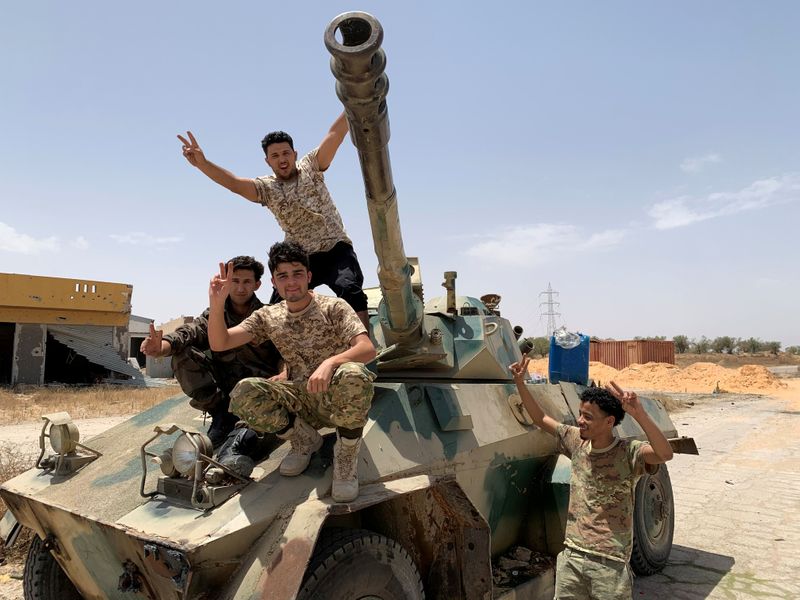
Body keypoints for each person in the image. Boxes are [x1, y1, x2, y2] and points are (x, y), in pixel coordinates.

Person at [207, 241, 376, 503]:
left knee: (354, 373)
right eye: (283, 276)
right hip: (300, 398)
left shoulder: (334, 307)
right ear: (274, 282)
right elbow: (221, 342)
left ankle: (346, 455)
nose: (291, 282)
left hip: (336, 398)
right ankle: (303, 440)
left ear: (309, 276)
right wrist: (217, 304)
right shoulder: (268, 316)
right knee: (244, 391)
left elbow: (366, 348)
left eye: (297, 273)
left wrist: (331, 363)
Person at [177, 113, 370, 329]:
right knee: (277, 307)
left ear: (295, 154)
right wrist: (203, 164)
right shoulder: (266, 188)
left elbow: (335, 135)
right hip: (300, 257)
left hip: (335, 248)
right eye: (275, 155)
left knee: (350, 289)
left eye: (286, 153)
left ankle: (363, 353)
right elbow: (233, 183)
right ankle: (277, 359)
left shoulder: (312, 166)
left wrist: (352, 97)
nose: (282, 159)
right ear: (268, 161)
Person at [509, 356, 674, 600]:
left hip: (609, 563)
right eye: (580, 414)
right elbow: (540, 418)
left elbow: (664, 453)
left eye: (588, 417)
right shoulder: (576, 441)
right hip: (573, 556)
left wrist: (639, 414)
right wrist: (520, 383)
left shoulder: (628, 452)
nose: (580, 421)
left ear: (609, 422)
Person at [140, 255, 282, 448]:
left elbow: (285, 350)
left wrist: (283, 374)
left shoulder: (269, 315)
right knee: (183, 353)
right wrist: (161, 347)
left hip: (259, 389)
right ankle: (221, 416)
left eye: (247, 282)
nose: (240, 288)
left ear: (257, 285)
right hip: (224, 391)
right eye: (235, 281)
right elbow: (189, 332)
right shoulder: (215, 315)